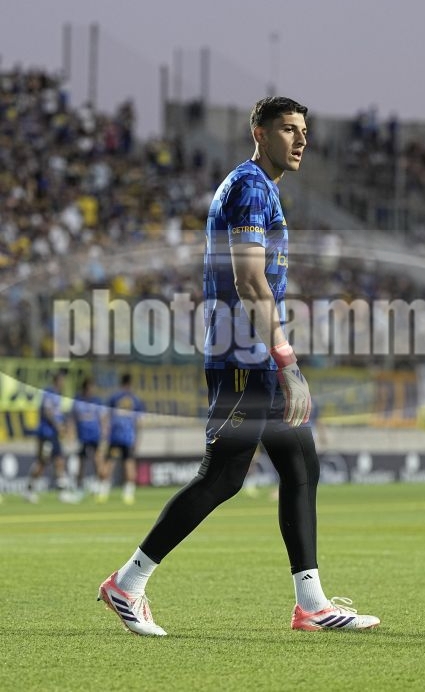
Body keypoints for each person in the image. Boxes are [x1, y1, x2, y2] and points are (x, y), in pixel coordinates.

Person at [98, 97, 380, 635]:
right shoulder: (250, 187)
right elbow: (250, 280)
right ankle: (127, 584)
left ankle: (312, 604)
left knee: (300, 466)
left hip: (251, 356)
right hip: (243, 360)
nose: (301, 140)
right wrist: (287, 361)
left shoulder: (260, 187)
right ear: (259, 133)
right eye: (288, 129)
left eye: (304, 131)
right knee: (224, 476)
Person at [96, 373, 143, 505]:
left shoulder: (114, 397)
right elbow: (139, 422)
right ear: (130, 383)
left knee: (109, 464)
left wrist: (105, 435)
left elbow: (105, 417)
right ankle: (128, 495)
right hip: (128, 437)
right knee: (129, 464)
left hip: (115, 437)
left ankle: (103, 493)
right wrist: (137, 439)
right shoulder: (135, 399)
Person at [24, 369, 68, 503]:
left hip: (54, 435)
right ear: (57, 380)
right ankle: (29, 489)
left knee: (59, 461)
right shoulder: (49, 393)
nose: (64, 382)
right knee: (42, 462)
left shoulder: (57, 394)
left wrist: (62, 427)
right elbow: (47, 412)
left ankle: (62, 493)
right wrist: (58, 425)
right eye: (62, 380)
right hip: (46, 434)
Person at [68, 377, 107, 502]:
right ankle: (79, 488)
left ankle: (100, 486)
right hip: (83, 437)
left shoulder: (97, 401)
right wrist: (71, 435)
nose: (93, 389)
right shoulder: (77, 401)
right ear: (86, 387)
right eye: (91, 387)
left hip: (95, 436)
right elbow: (72, 419)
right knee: (81, 464)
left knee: (98, 461)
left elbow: (103, 418)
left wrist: (104, 434)